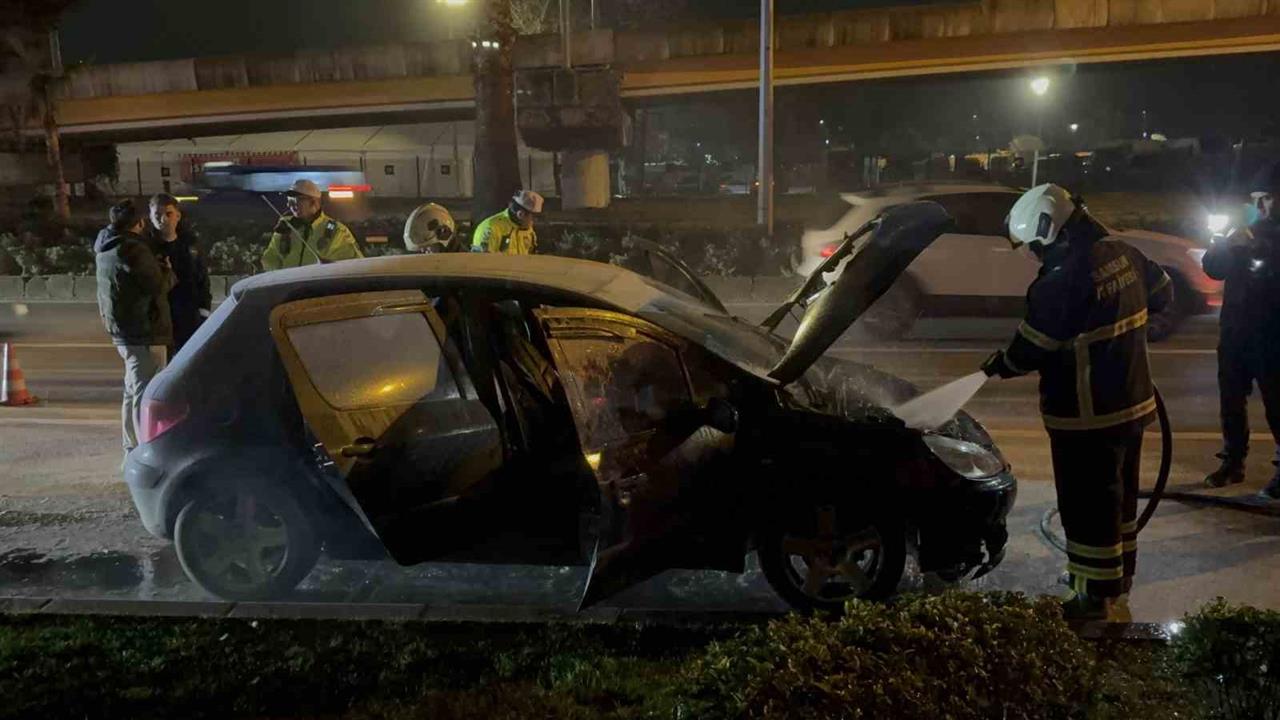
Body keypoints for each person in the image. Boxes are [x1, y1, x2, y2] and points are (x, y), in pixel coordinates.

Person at [981, 184, 1173, 622]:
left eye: (1034, 246)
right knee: (1120, 501)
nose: (1035, 255)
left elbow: (1030, 349)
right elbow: (1164, 295)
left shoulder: (1060, 281)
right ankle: (1118, 581)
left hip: (1086, 415)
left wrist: (1001, 364)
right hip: (1132, 403)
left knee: (1087, 509)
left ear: (1051, 232)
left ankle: (1091, 599)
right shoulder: (1125, 254)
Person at [1202, 163, 1280, 498]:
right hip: (1235, 330)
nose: (1260, 206)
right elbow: (1213, 269)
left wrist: (1262, 250)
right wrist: (1222, 243)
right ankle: (1233, 461)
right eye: (1256, 198)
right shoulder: (1243, 230)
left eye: (1268, 198)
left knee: (1276, 401)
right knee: (1231, 399)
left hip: (1272, 334)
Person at [95, 199, 175, 464]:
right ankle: (145, 454)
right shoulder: (132, 249)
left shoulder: (107, 245)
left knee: (132, 390)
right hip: (144, 330)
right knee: (146, 393)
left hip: (123, 331)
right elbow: (156, 285)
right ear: (139, 223)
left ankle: (131, 447)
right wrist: (167, 270)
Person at [149, 193, 211, 353]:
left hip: (189, 315)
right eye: (157, 215)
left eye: (168, 214)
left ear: (178, 215)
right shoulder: (146, 248)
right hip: (161, 319)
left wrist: (204, 309)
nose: (163, 219)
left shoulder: (190, 244)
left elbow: (202, 278)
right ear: (150, 217)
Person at [261, 179, 362, 270]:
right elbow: (270, 261)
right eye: (289, 200)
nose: (290, 205)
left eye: (296, 200)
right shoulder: (285, 228)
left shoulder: (337, 231)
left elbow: (356, 266)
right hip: (290, 284)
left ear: (313, 202)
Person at [471, 190, 544, 254]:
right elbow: (482, 261)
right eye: (534, 217)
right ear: (520, 214)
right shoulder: (491, 228)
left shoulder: (527, 230)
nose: (535, 221)